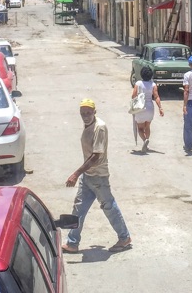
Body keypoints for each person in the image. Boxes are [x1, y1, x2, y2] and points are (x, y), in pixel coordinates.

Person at [63, 99, 132, 254]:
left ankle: (124, 237)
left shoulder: (99, 127)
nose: (85, 116)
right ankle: (72, 243)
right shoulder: (88, 125)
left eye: (89, 113)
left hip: (98, 177)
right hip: (88, 176)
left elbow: (96, 156)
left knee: (109, 207)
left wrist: (76, 174)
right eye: (83, 113)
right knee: (78, 209)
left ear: (95, 112)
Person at [131, 66, 163, 152]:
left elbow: (133, 96)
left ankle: (145, 140)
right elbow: (156, 97)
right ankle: (147, 142)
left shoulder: (138, 83)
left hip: (140, 108)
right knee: (147, 126)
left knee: (140, 128)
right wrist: (160, 108)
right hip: (150, 108)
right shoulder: (153, 85)